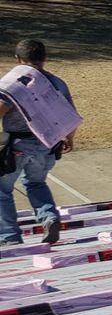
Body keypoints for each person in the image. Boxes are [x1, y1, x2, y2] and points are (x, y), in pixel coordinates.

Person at [0, 39, 75, 246]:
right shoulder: (57, 83)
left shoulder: (14, 81)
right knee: (36, 183)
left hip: (17, 146)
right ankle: (49, 217)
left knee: (2, 189)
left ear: (17, 59)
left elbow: (1, 107)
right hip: (47, 143)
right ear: (44, 58)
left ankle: (9, 236)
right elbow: (70, 114)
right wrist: (69, 139)